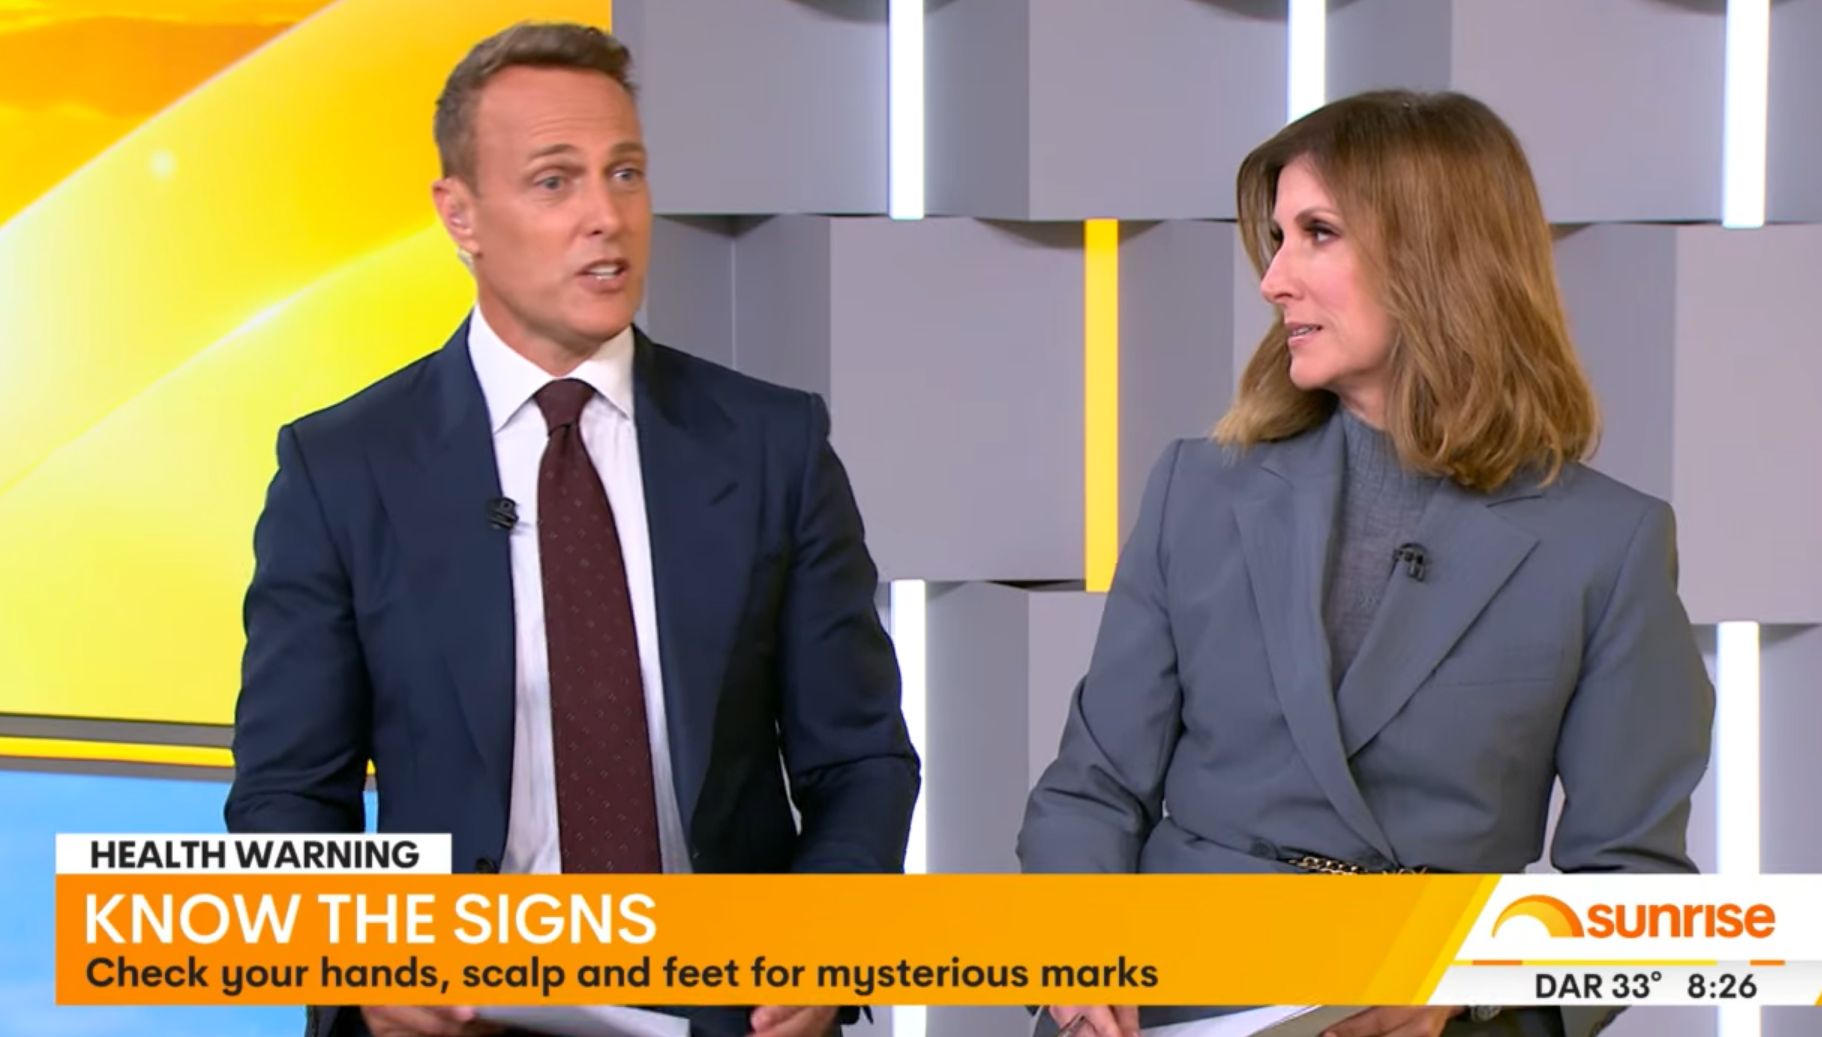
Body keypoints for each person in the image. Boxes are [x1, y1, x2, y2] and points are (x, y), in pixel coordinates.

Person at [224, 22, 919, 1037]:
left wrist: (828, 930)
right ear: (460, 215)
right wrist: (356, 956)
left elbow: (860, 759)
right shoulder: (343, 469)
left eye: (625, 172)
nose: (606, 215)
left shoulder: (772, 444)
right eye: (555, 181)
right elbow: (286, 795)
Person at [1018, 90, 1713, 1037]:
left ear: (1438, 255)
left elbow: (1632, 888)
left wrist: (1466, 988)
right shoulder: (1199, 488)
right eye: (1277, 239)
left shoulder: (1608, 544)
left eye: (1318, 233)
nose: (1274, 280)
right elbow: (1090, 788)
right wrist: (1074, 947)